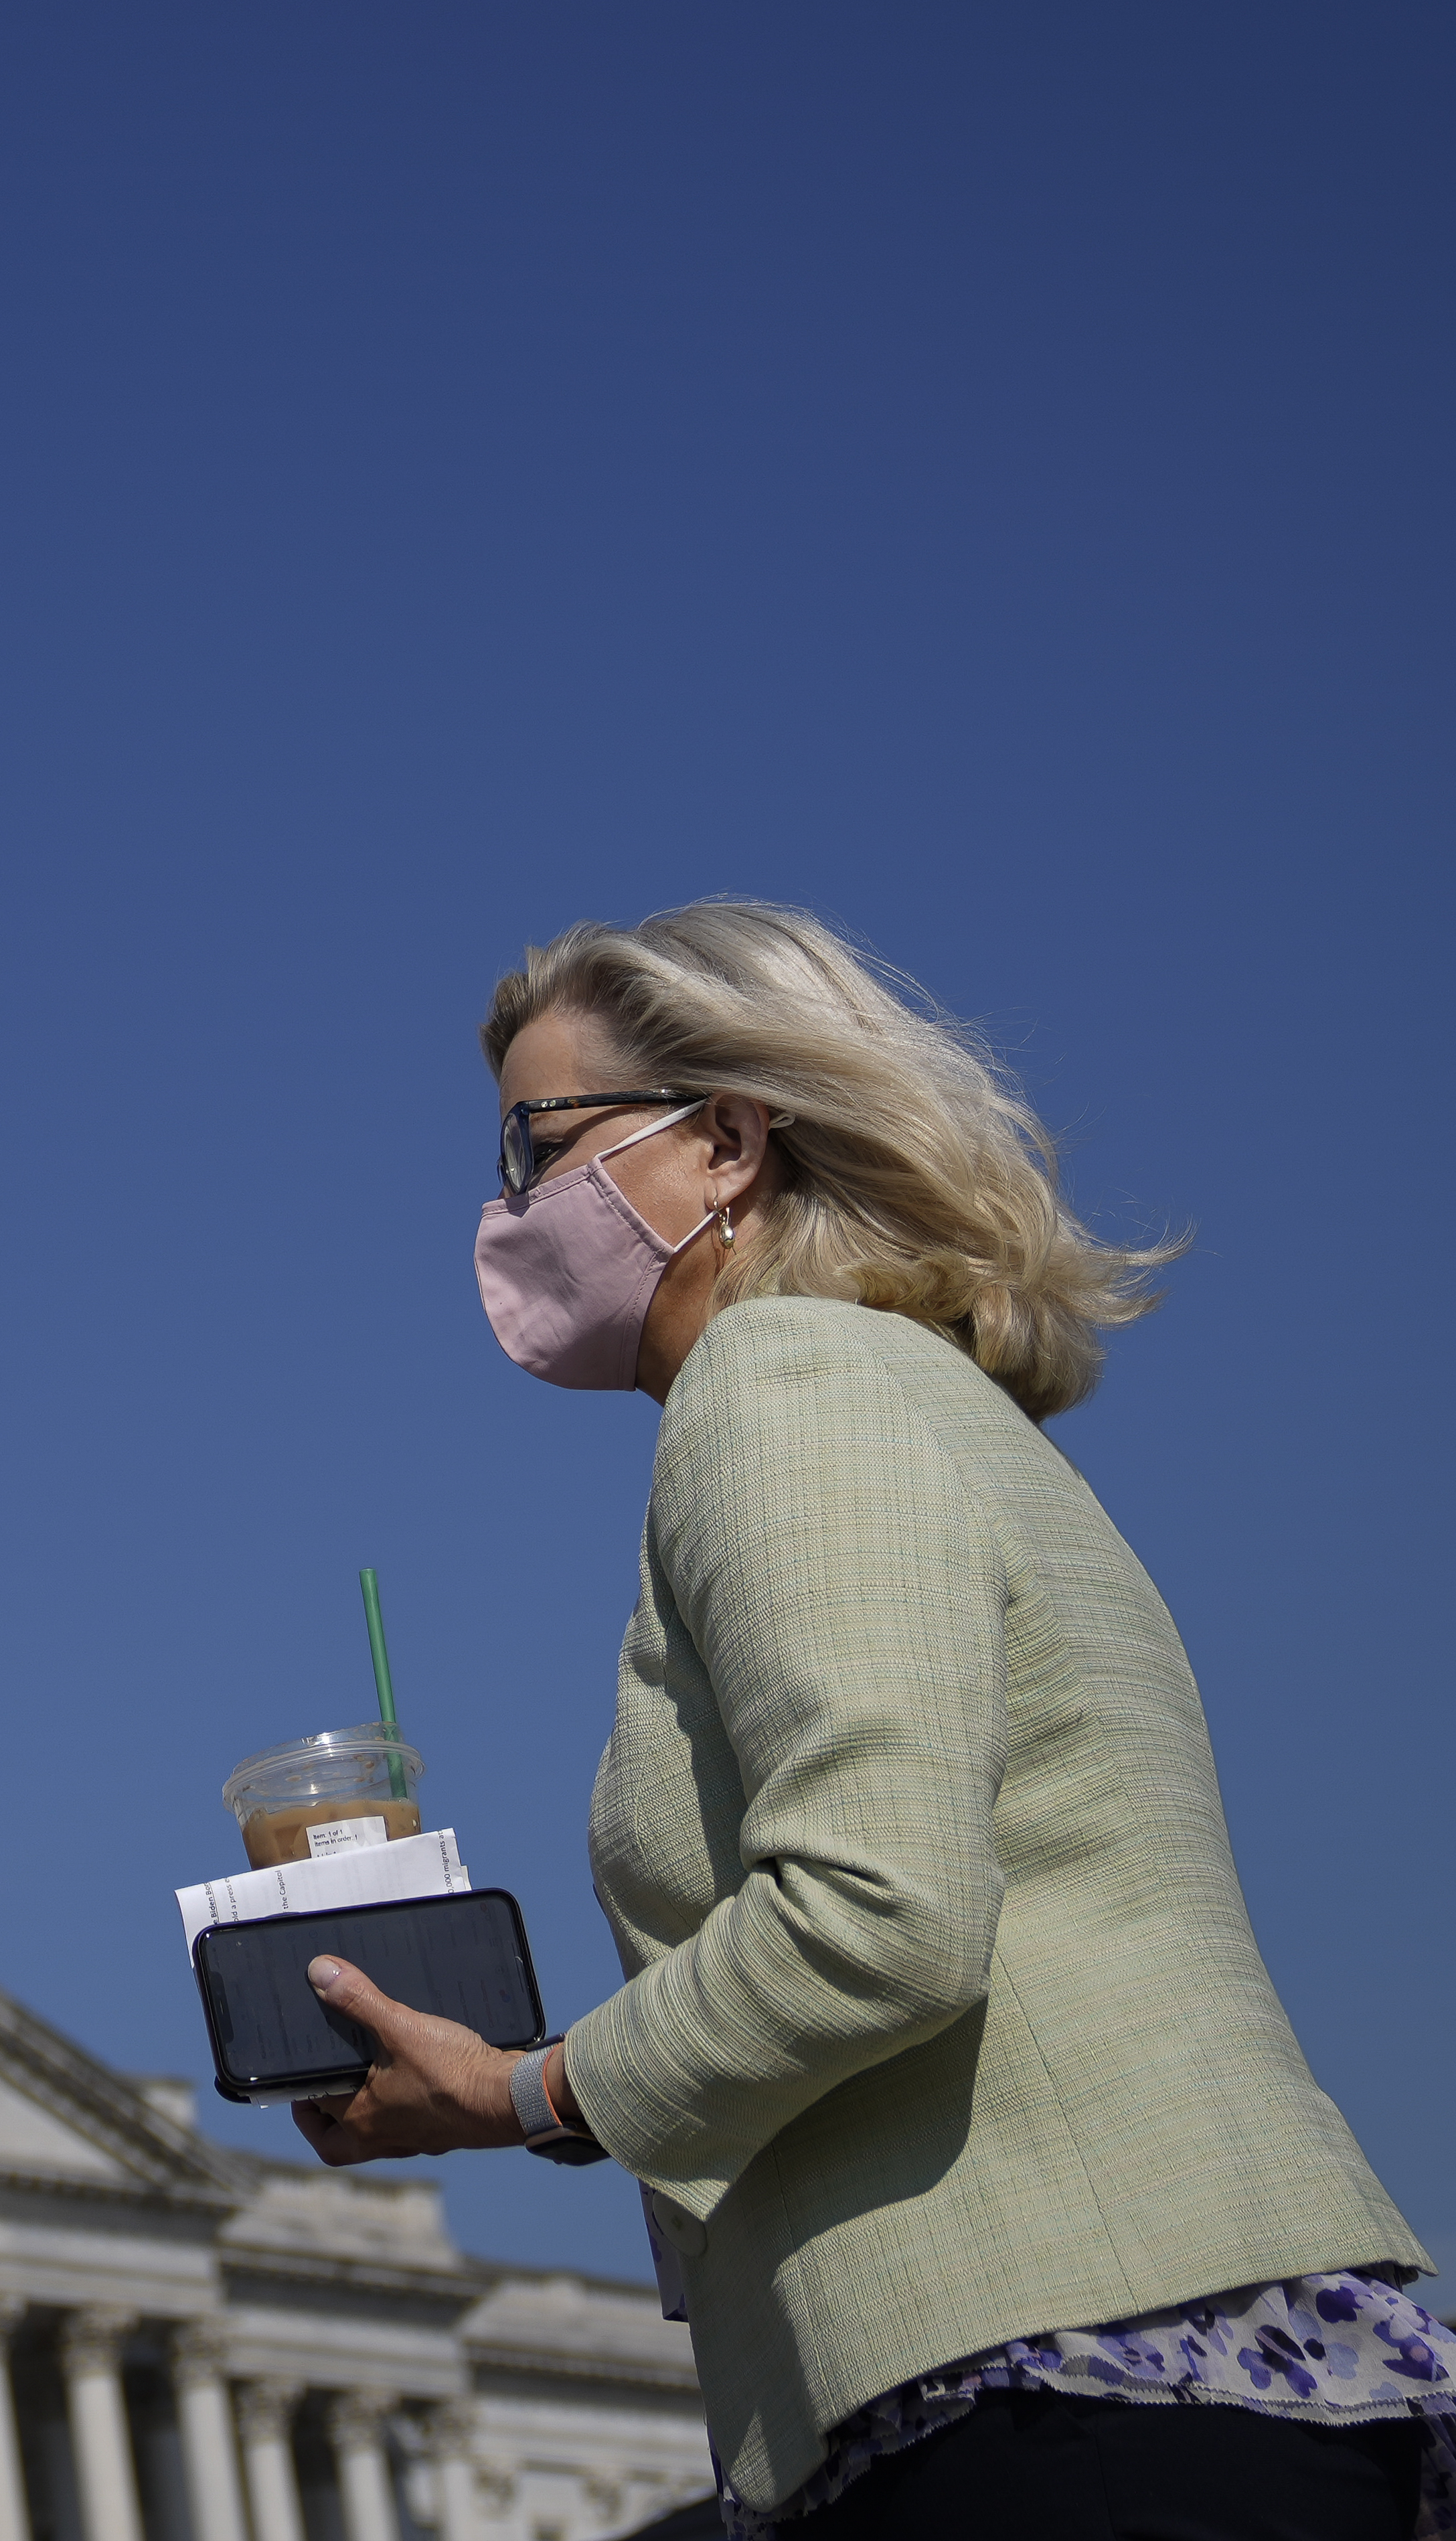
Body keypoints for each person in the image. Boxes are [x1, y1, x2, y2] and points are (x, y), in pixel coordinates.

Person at [295, 901, 1450, 2538]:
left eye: (534, 1143)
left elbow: (882, 1916)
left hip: (1048, 2377)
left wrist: (521, 2092)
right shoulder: (927, 1401)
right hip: (1162, 2359)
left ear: (723, 1143)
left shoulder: (776, 1386)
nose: (506, 1207)